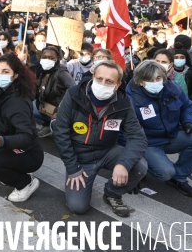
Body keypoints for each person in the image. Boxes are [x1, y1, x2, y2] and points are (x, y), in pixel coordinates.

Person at [53, 60, 148, 217]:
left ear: (117, 85)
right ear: (93, 77)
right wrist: (72, 168)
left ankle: (112, 193)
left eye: (109, 81)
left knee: (140, 166)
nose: (103, 84)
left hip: (108, 151)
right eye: (99, 79)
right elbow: (61, 132)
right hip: (81, 157)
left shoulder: (123, 102)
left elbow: (138, 137)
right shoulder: (74, 95)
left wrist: (123, 164)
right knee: (78, 207)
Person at [125, 61, 192, 197]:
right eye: (149, 79)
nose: (155, 82)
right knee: (165, 173)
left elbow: (187, 106)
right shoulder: (130, 99)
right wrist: (131, 169)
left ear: (163, 77)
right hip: (148, 143)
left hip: (172, 135)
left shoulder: (173, 88)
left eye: (158, 78)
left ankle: (179, 178)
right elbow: (125, 133)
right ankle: (144, 166)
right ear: (140, 81)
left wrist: (189, 122)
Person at [0, 54, 43, 202]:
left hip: (29, 153)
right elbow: (0, 115)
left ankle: (25, 183)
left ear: (15, 75)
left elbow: (26, 136)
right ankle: (12, 170)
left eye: (6, 72)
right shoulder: (5, 90)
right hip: (14, 142)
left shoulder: (17, 102)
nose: (0, 75)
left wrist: (2, 141)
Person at [36, 45, 76, 138]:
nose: (47, 60)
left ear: (57, 58)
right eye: (44, 57)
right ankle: (48, 125)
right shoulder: (41, 70)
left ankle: (60, 127)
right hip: (46, 103)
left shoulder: (61, 71)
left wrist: (62, 107)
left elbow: (72, 88)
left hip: (58, 106)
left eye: (51, 58)